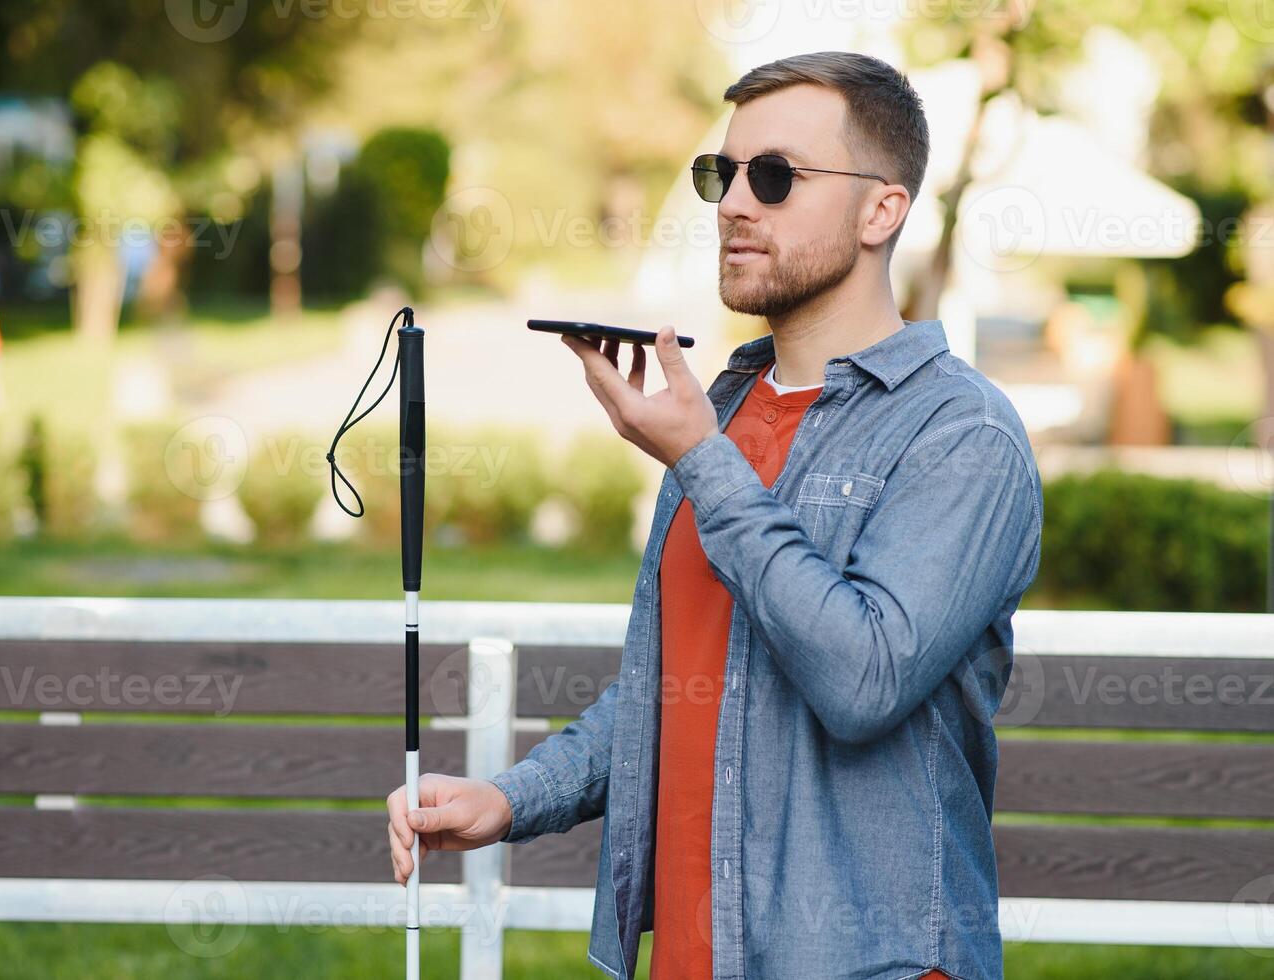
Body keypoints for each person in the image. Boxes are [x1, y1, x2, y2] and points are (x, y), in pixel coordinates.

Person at [386, 50, 1042, 980]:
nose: (735, 203)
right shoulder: (723, 409)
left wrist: (700, 460)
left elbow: (864, 679)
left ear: (881, 210)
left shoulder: (961, 432)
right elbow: (684, 678)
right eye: (720, 174)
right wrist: (511, 796)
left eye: (775, 177)